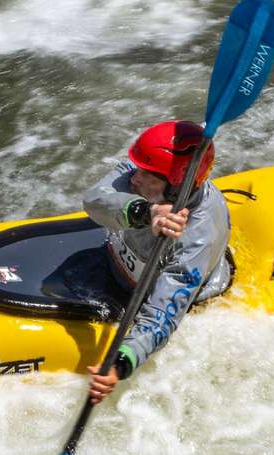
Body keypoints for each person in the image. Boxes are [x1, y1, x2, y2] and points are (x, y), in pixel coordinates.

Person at [82, 120, 232, 404]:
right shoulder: (149, 176)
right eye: (137, 169)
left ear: (176, 185)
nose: (134, 178)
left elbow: (164, 313)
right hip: (120, 267)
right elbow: (94, 200)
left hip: (183, 300)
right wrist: (143, 212)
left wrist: (122, 361)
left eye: (146, 175)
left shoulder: (196, 239)